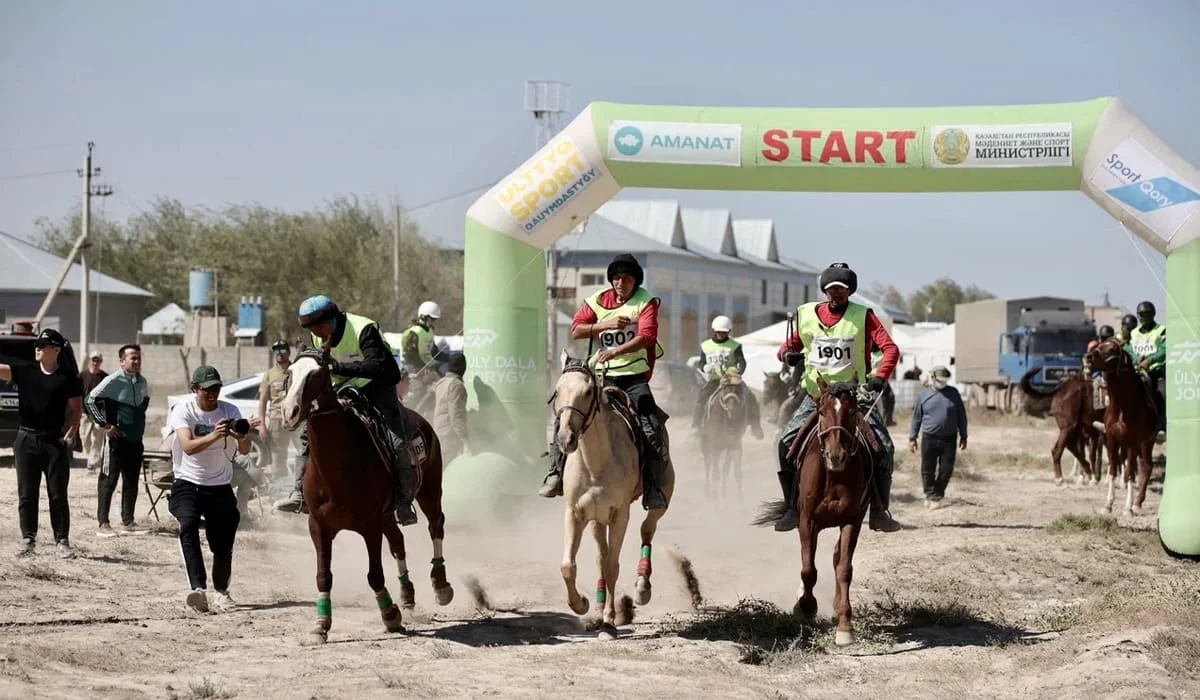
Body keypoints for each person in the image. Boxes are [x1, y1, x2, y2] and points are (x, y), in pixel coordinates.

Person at [772, 262, 901, 533]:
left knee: (884, 447)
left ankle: (879, 511)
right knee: (784, 443)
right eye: (831, 289)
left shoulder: (864, 316)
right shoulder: (807, 315)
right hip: (817, 396)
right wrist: (788, 355)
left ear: (850, 290)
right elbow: (786, 347)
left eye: (842, 289)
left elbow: (890, 349)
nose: (836, 293)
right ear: (824, 290)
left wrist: (880, 376)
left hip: (855, 396)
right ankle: (791, 508)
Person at [537, 253, 669, 510]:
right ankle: (555, 473)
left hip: (633, 377)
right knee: (568, 413)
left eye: (626, 278)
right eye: (616, 278)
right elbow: (576, 329)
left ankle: (652, 487)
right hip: (601, 376)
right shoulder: (597, 300)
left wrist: (616, 351)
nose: (620, 282)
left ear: (635, 280)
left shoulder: (646, 301)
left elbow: (647, 337)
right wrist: (604, 325)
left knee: (651, 425)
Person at [273, 295, 418, 526]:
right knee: (306, 433)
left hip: (378, 385)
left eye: (318, 327)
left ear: (332, 319)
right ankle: (299, 493)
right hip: (342, 387)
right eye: (311, 329)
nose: (317, 333)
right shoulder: (317, 335)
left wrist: (339, 368)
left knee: (396, 441)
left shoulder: (363, 329)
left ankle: (403, 501)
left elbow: (378, 365)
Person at [168, 366, 259, 613]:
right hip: (188, 481)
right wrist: (216, 435)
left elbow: (245, 449)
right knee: (187, 526)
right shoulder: (183, 410)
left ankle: (222, 592)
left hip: (219, 485)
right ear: (195, 389)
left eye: (216, 388)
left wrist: (239, 434)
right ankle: (198, 590)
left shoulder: (230, 410)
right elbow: (187, 446)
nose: (212, 394)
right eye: (206, 389)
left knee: (223, 542)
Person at [0, 329, 83, 558]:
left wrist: (71, 433)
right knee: (27, 493)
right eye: (36, 344)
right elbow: (1, 369)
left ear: (56, 349)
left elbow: (76, 408)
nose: (37, 348)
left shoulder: (68, 378)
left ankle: (62, 541)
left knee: (57, 494)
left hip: (54, 442)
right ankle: (28, 539)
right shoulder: (25, 371)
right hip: (26, 438)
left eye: (43, 344)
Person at [84, 343, 150, 537]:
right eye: (133, 358)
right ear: (122, 361)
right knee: (108, 480)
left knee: (131, 481)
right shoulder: (113, 380)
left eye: (139, 357)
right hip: (116, 440)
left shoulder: (142, 381)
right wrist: (105, 424)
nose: (137, 361)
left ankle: (128, 521)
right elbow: (90, 399)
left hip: (135, 440)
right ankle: (103, 523)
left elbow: (142, 406)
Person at [691, 315, 764, 439]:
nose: (721, 335)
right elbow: (701, 362)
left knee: (751, 398)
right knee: (701, 399)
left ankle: (756, 427)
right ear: (714, 331)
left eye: (724, 332)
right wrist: (704, 368)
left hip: (732, 380)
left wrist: (739, 372)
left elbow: (742, 362)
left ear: (728, 332)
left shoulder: (735, 345)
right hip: (715, 379)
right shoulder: (706, 346)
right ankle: (696, 427)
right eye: (719, 332)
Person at [908, 366, 968, 507]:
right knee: (927, 468)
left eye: (945, 380)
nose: (943, 383)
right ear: (933, 379)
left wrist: (964, 435)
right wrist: (912, 438)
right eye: (940, 380)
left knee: (946, 469)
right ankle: (930, 494)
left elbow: (962, 416)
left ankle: (937, 494)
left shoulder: (953, 393)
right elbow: (917, 418)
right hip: (929, 438)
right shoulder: (924, 396)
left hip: (949, 438)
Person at [257, 339, 293, 479]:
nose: (280, 354)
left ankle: (301, 486)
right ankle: (280, 488)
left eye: (283, 350)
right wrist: (262, 426)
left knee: (303, 452)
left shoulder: (296, 370)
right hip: (277, 419)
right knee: (278, 455)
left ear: (289, 352)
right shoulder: (269, 374)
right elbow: (262, 401)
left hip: (296, 418)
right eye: (276, 351)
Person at [1129, 301, 1166, 431]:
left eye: (1147, 314)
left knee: (1162, 394)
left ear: (1153, 314)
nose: (1144, 318)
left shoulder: (1161, 330)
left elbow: (1164, 351)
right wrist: (1136, 359)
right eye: (1141, 315)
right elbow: (1130, 350)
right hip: (1136, 373)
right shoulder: (1133, 333)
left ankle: (1161, 424)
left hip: (1156, 373)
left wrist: (1149, 361)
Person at [400, 301, 443, 410]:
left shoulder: (429, 332)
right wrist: (424, 367)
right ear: (423, 317)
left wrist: (446, 360)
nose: (433, 322)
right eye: (432, 319)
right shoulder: (414, 332)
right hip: (414, 371)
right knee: (417, 394)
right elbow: (409, 354)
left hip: (427, 370)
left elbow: (433, 351)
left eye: (434, 320)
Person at [432, 353, 470, 462]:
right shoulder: (456, 385)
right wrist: (465, 440)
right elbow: (456, 415)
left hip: (440, 433)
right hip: (450, 437)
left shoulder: (441, 383)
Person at [78, 350, 108, 472]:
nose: (95, 362)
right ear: (90, 361)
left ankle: (93, 462)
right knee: (84, 437)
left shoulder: (105, 377)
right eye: (93, 360)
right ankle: (92, 456)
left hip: (99, 412)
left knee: (97, 438)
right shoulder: (82, 376)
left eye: (98, 360)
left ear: (101, 362)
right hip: (85, 412)